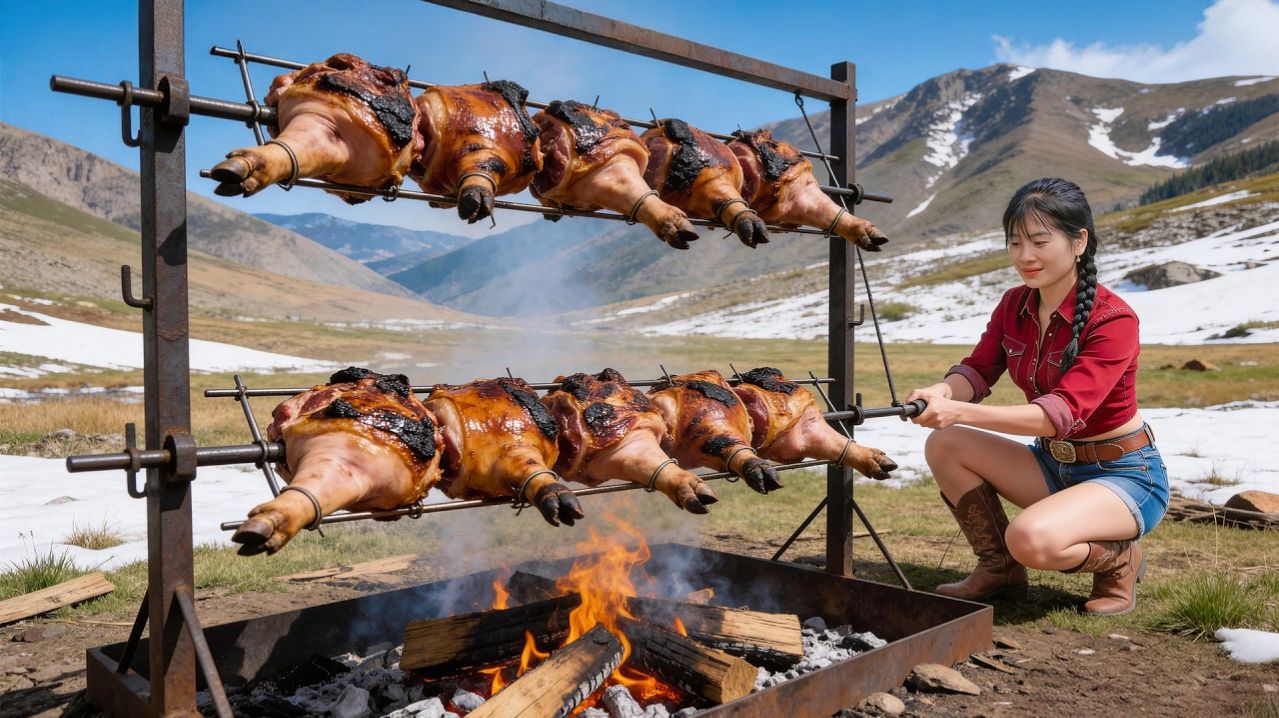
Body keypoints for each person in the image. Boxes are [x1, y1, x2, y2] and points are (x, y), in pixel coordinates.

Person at [904, 177, 1169, 616]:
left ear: (1079, 240)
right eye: (1015, 244)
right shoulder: (1014, 304)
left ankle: (1120, 560)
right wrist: (941, 391)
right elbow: (979, 369)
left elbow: (1058, 415)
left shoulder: (1114, 319)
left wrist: (958, 411)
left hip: (1124, 475)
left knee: (1030, 539)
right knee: (945, 444)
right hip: (1052, 465)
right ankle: (999, 570)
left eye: (1040, 242)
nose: (1026, 257)